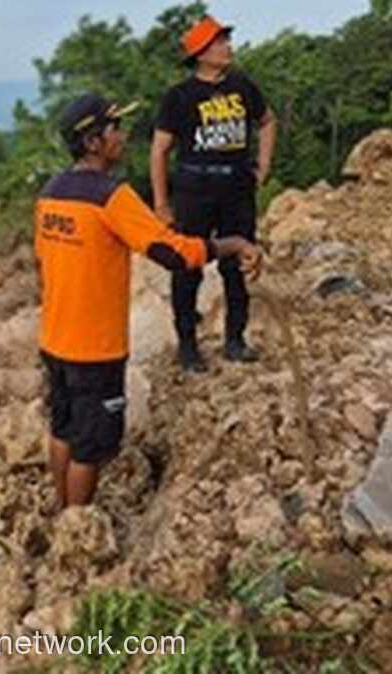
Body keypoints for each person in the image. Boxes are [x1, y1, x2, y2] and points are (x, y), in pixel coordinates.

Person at [35, 92, 264, 509]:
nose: (122, 137)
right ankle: (75, 528)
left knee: (63, 428)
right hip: (94, 347)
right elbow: (172, 253)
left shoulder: (51, 192)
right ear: (92, 143)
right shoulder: (112, 196)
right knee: (91, 446)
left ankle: (60, 509)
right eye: (113, 130)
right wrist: (229, 244)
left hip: (54, 338)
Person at [151, 15, 277, 372]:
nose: (228, 47)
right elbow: (159, 150)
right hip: (194, 190)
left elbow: (267, 120)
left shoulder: (242, 86)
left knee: (238, 265)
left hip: (237, 187)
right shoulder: (179, 97)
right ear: (201, 53)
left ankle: (235, 339)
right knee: (187, 266)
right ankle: (188, 346)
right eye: (220, 42)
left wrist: (263, 165)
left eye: (226, 40)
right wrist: (161, 204)